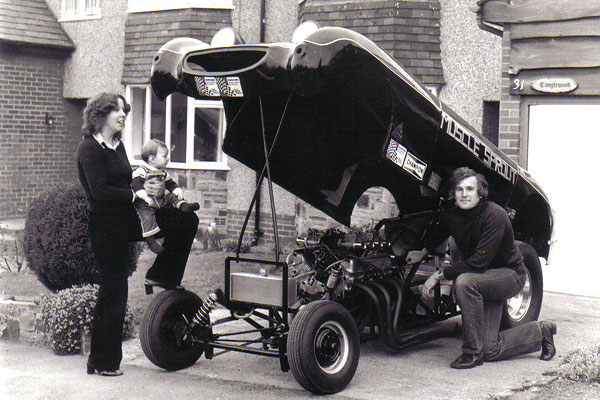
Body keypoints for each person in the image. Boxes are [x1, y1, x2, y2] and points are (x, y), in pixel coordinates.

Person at [76, 93, 198, 377]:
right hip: (106, 225)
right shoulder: (89, 148)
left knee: (185, 220)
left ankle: (163, 275)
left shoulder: (117, 145)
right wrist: (135, 194)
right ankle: (102, 361)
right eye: (117, 110)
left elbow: (127, 177)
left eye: (124, 110)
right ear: (100, 115)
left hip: (127, 218)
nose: (123, 115)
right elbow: (100, 192)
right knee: (114, 289)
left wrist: (150, 189)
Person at [406, 167, 556, 369]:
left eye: (470, 189)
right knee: (490, 349)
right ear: (453, 193)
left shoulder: (495, 215)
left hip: (509, 276)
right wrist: (421, 252)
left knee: (465, 282)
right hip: (485, 279)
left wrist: (438, 276)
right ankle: (542, 332)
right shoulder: (452, 214)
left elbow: (478, 263)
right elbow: (439, 233)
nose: (464, 194)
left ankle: (471, 353)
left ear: (481, 192)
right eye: (459, 189)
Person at [132, 139, 199, 255]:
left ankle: (183, 205)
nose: (167, 158)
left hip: (161, 199)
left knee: (171, 196)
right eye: (164, 156)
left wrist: (176, 190)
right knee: (147, 217)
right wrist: (144, 195)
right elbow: (136, 183)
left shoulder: (162, 172)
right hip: (146, 202)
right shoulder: (141, 171)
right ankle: (150, 240)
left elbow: (170, 183)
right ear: (152, 159)